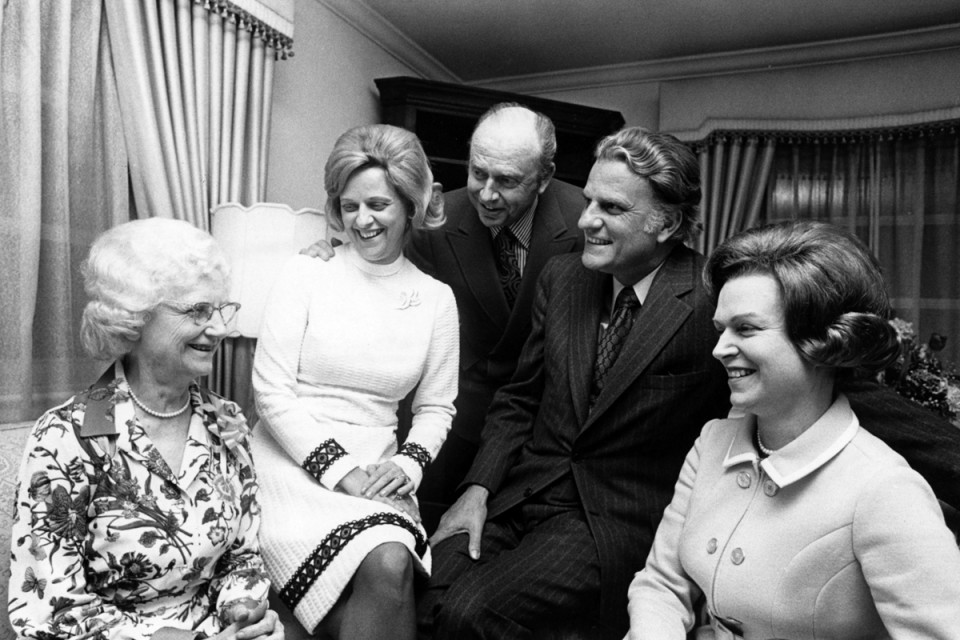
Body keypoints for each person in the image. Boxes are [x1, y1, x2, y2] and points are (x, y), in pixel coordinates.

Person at [417, 126, 731, 640]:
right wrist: (475, 490)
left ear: (667, 222)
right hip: (517, 496)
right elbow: (520, 398)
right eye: (587, 202)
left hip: (609, 519)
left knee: (470, 613)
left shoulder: (710, 297)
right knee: (428, 594)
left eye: (611, 208)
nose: (587, 221)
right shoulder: (563, 278)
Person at [626, 220, 960, 639]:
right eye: (720, 329)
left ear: (823, 341)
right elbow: (660, 585)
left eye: (745, 328)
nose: (719, 348)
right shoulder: (712, 443)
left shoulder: (885, 490)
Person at [304, 103, 585, 531]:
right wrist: (332, 254)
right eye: (478, 173)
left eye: (507, 181)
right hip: (454, 425)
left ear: (544, 178)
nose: (487, 194)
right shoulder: (436, 218)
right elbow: (381, 261)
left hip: (541, 431)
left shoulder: (586, 220)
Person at [8, 218, 282, 640]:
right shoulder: (67, 437)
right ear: (136, 317)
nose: (219, 328)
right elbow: (47, 610)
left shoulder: (223, 421)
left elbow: (240, 556)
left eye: (220, 310)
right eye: (197, 311)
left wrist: (242, 608)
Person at [251, 124, 458, 640]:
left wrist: (407, 465)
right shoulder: (306, 272)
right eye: (348, 207)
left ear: (411, 205)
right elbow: (270, 391)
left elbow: (436, 408)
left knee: (389, 560)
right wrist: (339, 470)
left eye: (378, 205)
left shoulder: (436, 299)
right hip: (288, 461)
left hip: (378, 467)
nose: (361, 220)